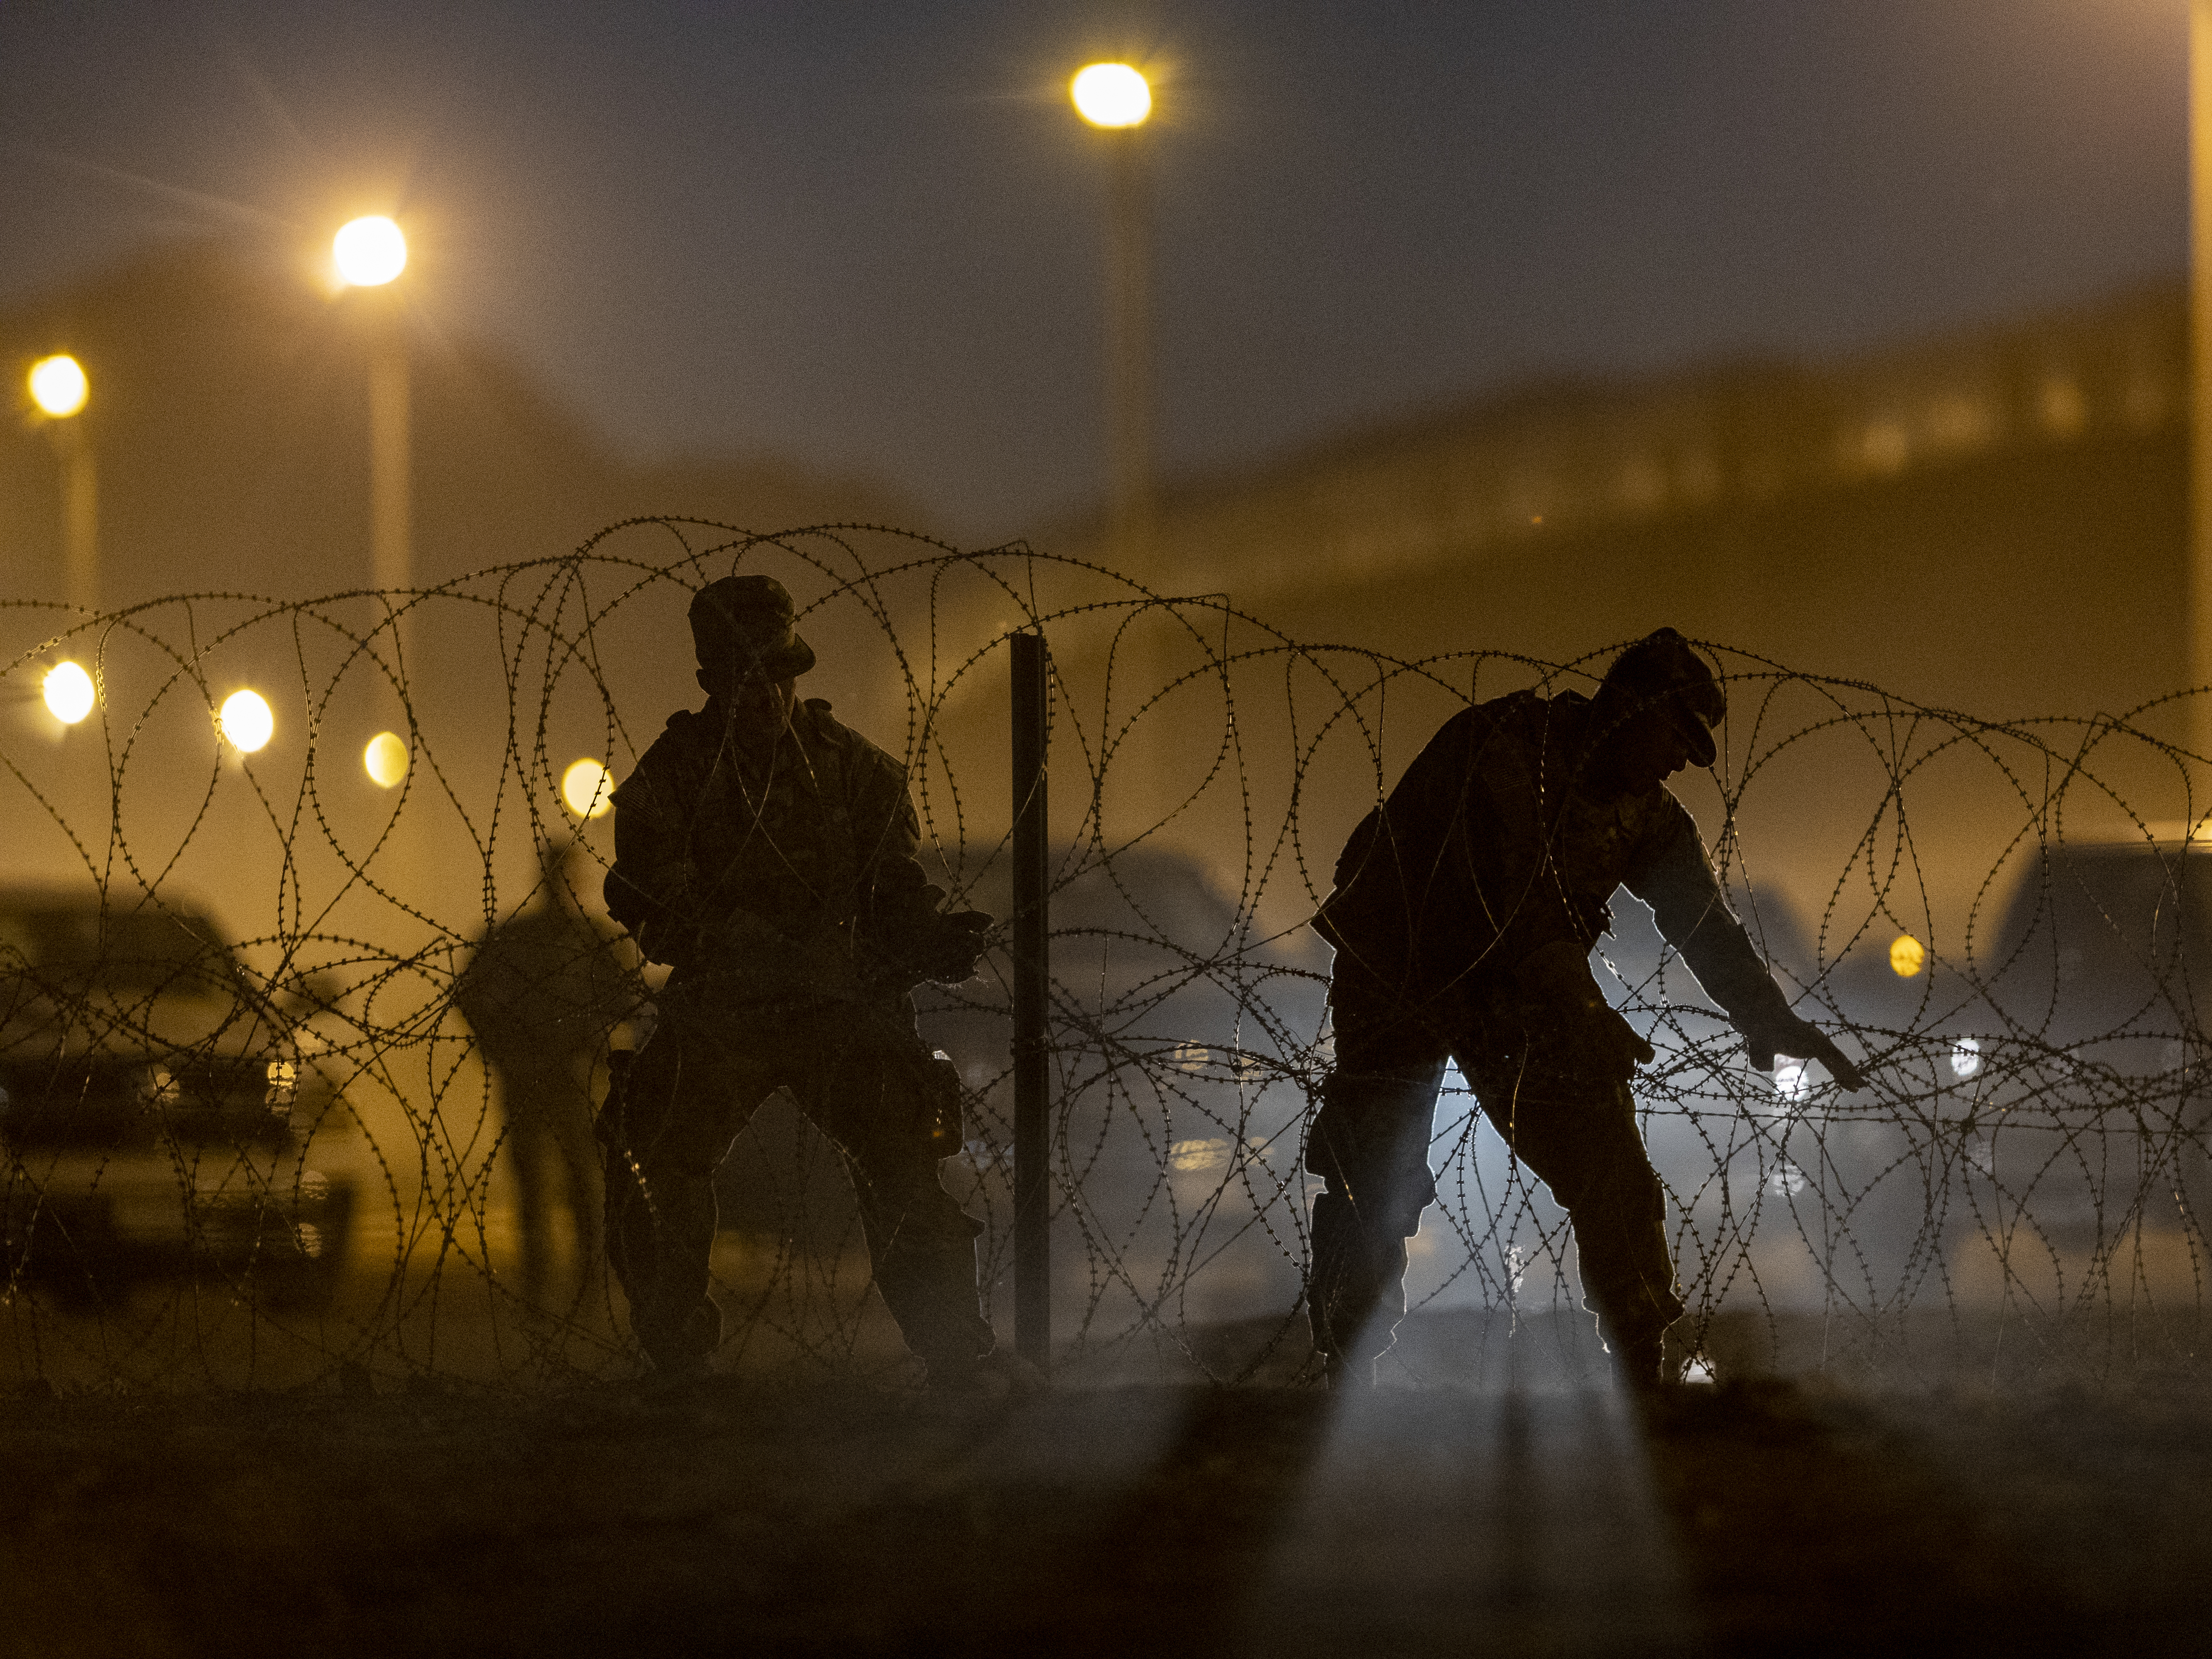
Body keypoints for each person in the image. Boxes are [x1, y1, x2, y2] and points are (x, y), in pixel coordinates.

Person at [1307, 627, 1867, 1391]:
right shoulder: (1508, 749)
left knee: (1610, 1164)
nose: (1678, 761)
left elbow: (1699, 918)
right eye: (1675, 737)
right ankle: (1344, 1370)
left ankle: (1642, 1365)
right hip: (1397, 969)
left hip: (1511, 991)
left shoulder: (1645, 815)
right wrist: (1583, 1009)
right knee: (1376, 1178)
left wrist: (1761, 1014)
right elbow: (1521, 903)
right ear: (1627, 709)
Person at [598, 573, 1008, 1387]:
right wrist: (733, 940)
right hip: (726, 1013)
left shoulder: (858, 773)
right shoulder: (670, 779)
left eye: (779, 678)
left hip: (841, 1011)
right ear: (715, 683)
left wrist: (928, 940)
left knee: (902, 1161)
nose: (765, 696)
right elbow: (651, 903)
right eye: (746, 680)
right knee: (652, 1152)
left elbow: (895, 895)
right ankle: (679, 1358)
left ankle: (956, 1354)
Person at [455, 838, 637, 1320]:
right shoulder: (530, 938)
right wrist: (498, 1045)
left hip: (570, 1074)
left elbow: (626, 1001)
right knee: (538, 1183)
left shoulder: (587, 938)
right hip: (537, 1072)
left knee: (579, 1182)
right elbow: (470, 994)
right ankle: (547, 1286)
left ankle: (583, 1285)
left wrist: (596, 1041)